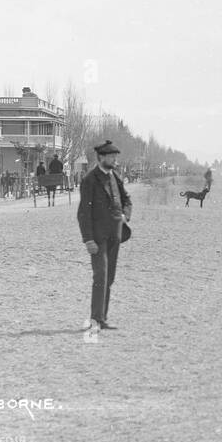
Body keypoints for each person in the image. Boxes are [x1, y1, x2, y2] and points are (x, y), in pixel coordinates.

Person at [77, 140, 132, 331]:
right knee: (100, 275)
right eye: (111, 157)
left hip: (115, 235)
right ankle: (95, 319)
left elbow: (127, 200)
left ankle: (102, 318)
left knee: (109, 278)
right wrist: (88, 239)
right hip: (97, 238)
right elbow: (83, 212)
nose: (114, 159)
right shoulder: (90, 180)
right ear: (101, 157)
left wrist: (126, 214)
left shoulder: (115, 177)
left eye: (115, 156)